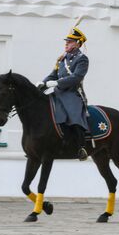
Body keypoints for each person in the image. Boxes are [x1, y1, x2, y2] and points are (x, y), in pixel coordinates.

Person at [39, 26, 91, 160]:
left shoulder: (82, 59)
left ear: (78, 43)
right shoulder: (62, 59)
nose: (66, 43)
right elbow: (53, 75)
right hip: (58, 93)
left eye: (70, 41)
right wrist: (43, 83)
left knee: (74, 115)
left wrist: (57, 83)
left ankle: (81, 147)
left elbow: (76, 77)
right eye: (67, 41)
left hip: (72, 93)